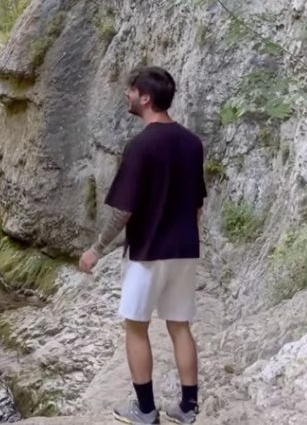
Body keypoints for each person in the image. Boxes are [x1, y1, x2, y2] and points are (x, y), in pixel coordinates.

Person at [79, 66, 206, 424]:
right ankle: (187, 408)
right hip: (184, 249)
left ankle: (146, 410)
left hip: (148, 252)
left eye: (130, 90)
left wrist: (95, 249)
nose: (127, 95)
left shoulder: (140, 146)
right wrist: (186, 239)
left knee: (136, 327)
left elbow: (124, 210)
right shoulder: (192, 143)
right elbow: (197, 204)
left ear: (145, 97)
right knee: (180, 326)